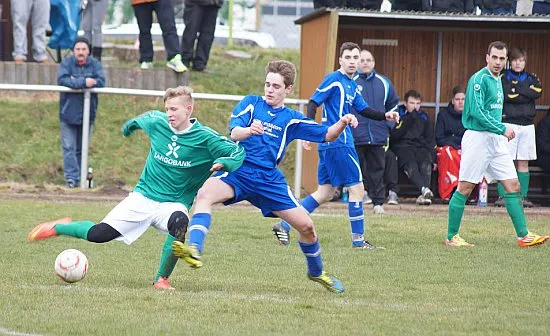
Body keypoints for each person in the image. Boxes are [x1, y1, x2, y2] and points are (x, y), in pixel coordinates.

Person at [171, 60, 362, 293]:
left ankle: (317, 272)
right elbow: (234, 132)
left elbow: (328, 135)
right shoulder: (251, 104)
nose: (270, 90)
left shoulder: (292, 118)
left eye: (276, 86)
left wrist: (342, 122)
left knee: (307, 228)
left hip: (269, 180)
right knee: (205, 193)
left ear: (288, 89)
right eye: (267, 84)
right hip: (240, 171)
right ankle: (194, 248)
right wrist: (249, 130)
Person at [28, 86, 246, 290]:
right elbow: (143, 119)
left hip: (172, 203)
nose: (169, 113)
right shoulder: (157, 121)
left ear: (189, 109)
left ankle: (161, 279)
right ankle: (59, 227)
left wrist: (225, 163)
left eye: (174, 109)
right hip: (142, 197)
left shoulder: (205, 138)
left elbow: (237, 153)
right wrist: (129, 126)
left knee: (180, 221)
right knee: (98, 234)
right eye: (167, 109)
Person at [272, 42, 400, 249]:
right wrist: (309, 131)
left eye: (355, 58)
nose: (352, 61)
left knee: (325, 192)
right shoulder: (334, 79)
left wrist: (385, 115)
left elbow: (364, 109)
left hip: (331, 144)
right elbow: (314, 103)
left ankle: (284, 225)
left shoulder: (351, 84)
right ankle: (359, 242)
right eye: (348, 57)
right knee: (357, 189)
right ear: (340, 60)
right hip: (339, 142)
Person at [445, 41, 548, 248]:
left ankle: (523, 235)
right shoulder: (479, 79)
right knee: (465, 188)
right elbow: (476, 112)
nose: (498, 62)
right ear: (487, 57)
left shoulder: (498, 80)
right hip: (478, 138)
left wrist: (499, 132)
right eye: (495, 57)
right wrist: (502, 128)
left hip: (496, 140)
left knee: (513, 185)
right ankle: (451, 236)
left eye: (502, 59)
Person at [352, 49, 400, 214]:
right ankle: (359, 199)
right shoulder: (351, 81)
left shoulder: (384, 82)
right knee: (357, 169)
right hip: (356, 135)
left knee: (377, 170)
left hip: (378, 136)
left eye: (368, 60)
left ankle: (378, 203)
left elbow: (394, 105)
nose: (365, 63)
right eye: (362, 60)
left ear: (373, 63)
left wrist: (387, 126)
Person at [494, 48, 542, 208]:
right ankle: (503, 195)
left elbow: (537, 92)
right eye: (515, 60)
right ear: (510, 61)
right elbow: (508, 95)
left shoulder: (531, 77)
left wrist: (519, 90)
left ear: (525, 62)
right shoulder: (504, 77)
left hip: (527, 125)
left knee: (523, 163)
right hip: (509, 124)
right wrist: (525, 91)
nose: (518, 63)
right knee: (505, 161)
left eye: (521, 60)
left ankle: (523, 196)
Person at [57, 37, 106, 188]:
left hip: (88, 115)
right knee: (69, 148)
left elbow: (101, 81)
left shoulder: (96, 64)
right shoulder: (66, 63)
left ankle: (81, 179)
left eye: (83, 49)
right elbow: (62, 80)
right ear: (73, 51)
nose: (80, 52)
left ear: (88, 51)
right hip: (68, 115)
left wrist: (75, 81)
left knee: (81, 149)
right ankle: (72, 180)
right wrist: (84, 82)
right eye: (78, 49)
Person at [390, 90, 436, 205]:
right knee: (410, 163)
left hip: (420, 147)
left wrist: (434, 158)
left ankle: (424, 195)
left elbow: (430, 139)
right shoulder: (398, 114)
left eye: (417, 103)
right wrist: (409, 118)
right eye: (412, 103)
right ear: (405, 103)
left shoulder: (424, 117)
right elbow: (395, 135)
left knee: (426, 161)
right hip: (402, 147)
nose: (415, 107)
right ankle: (424, 189)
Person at [131, 0, 187, 72]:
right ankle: (146, 59)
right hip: (140, 1)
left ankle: (174, 57)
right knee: (144, 31)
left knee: (169, 27)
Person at [435, 85, 466, 201]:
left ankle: (467, 193)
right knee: (449, 154)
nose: (460, 102)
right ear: (453, 101)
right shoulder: (443, 115)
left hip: (465, 148)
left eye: (463, 99)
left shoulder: (470, 116)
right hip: (446, 147)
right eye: (457, 100)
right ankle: (449, 191)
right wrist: (453, 142)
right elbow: (439, 138)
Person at [181, 0, 224, 72]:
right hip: (195, 3)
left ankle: (200, 64)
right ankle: (185, 61)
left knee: (207, 35)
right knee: (190, 32)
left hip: (213, 4)